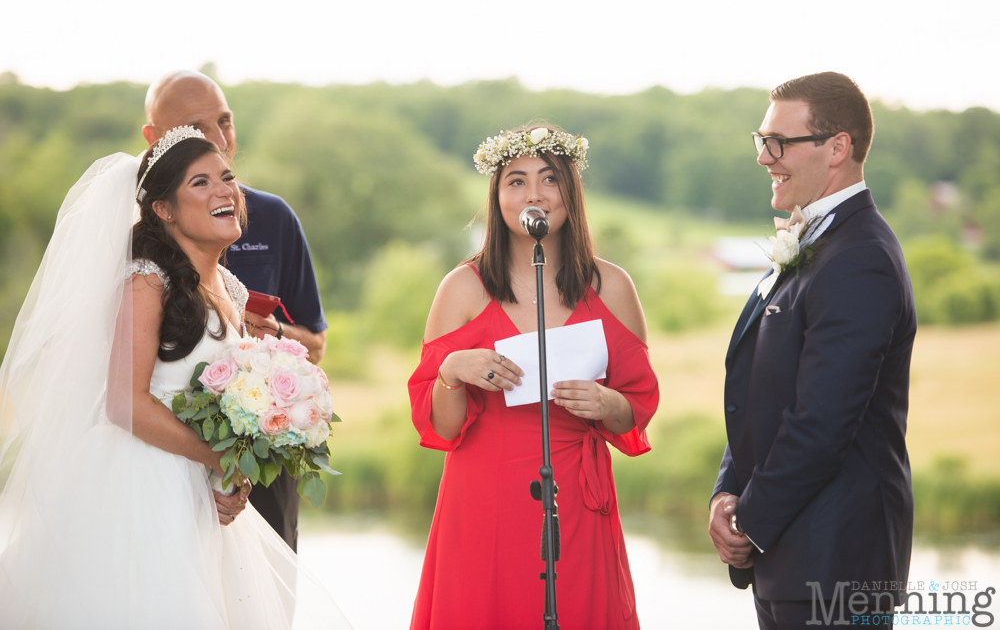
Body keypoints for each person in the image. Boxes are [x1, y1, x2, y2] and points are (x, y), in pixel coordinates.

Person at [0, 128, 351, 628]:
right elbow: (124, 400)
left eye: (227, 177)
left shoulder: (230, 285)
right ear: (163, 209)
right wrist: (220, 457)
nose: (224, 191)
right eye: (201, 183)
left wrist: (236, 470)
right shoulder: (147, 279)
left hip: (206, 495)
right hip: (141, 486)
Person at [408, 124, 659, 629]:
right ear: (498, 197)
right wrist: (452, 373)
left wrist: (608, 404)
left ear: (571, 191)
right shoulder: (462, 286)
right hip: (483, 494)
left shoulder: (612, 286)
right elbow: (441, 426)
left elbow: (638, 401)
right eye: (516, 181)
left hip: (576, 495)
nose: (535, 194)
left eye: (549, 179)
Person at [709, 72, 916, 629]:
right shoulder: (817, 241)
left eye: (778, 142)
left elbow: (823, 420)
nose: (764, 157)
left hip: (838, 563)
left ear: (837, 148)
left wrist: (748, 522)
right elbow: (765, 389)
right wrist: (728, 490)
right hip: (793, 558)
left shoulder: (860, 257)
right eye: (761, 141)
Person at [142, 70, 327, 551]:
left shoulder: (267, 221)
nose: (220, 140)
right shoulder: (135, 243)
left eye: (225, 122)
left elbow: (316, 343)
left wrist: (275, 345)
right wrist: (213, 459)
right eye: (199, 128)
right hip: (163, 474)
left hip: (254, 465)